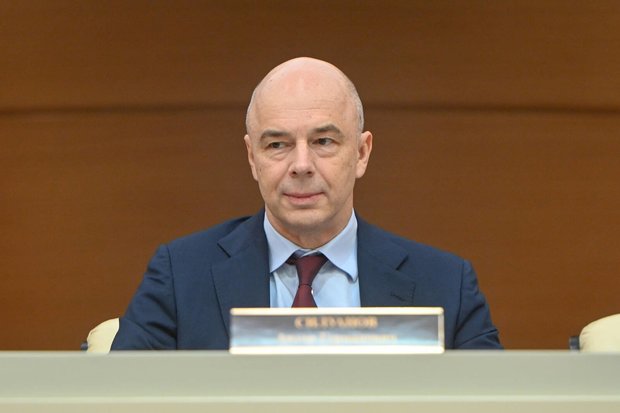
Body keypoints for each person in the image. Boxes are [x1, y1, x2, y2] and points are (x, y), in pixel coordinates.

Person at [111, 57, 501, 350]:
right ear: (252, 158)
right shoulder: (181, 276)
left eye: (323, 141)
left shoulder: (446, 286)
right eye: (277, 144)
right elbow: (119, 398)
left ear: (361, 153)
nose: (301, 165)